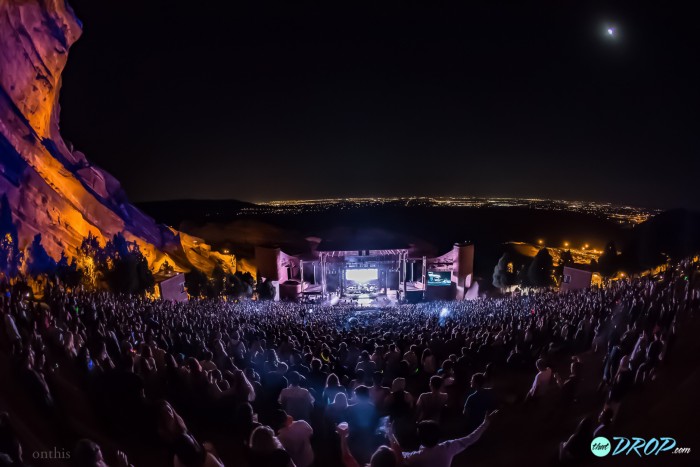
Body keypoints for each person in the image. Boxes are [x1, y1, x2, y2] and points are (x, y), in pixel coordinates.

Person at [399, 410, 496, 467]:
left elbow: (399, 454)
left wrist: (391, 435)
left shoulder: (416, 457)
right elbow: (470, 438)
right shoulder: (448, 448)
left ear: (420, 438)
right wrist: (485, 423)